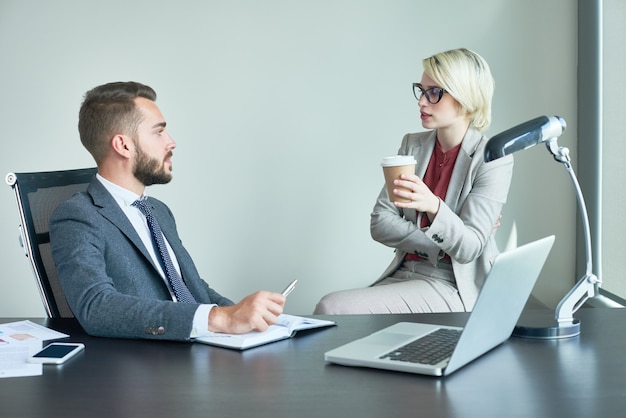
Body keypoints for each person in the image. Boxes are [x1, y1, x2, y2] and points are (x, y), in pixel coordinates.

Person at [49, 81, 285, 341]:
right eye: (158, 132)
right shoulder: (78, 216)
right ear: (123, 145)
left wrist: (248, 318)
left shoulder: (158, 211)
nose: (171, 142)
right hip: (152, 366)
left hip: (200, 350)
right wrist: (222, 319)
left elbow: (189, 287)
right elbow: (96, 307)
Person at [314, 48, 514, 314]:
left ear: (465, 97)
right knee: (337, 314)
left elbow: (469, 249)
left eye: (434, 92)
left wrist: (433, 205)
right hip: (405, 273)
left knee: (332, 307)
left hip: (452, 284)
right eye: (421, 90)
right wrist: (442, 241)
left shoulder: (492, 158)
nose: (422, 101)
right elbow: (380, 222)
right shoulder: (412, 145)